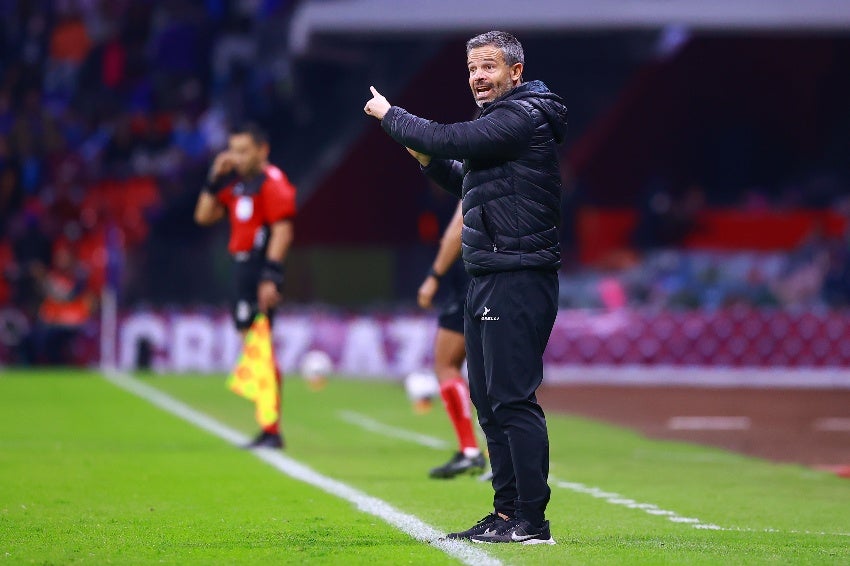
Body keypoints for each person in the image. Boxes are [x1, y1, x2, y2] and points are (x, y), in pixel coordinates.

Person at [365, 31, 567, 545]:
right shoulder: (502, 124)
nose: (478, 77)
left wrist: (392, 117)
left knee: (512, 399)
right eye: (473, 69)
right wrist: (427, 160)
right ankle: (506, 514)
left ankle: (532, 521)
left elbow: (450, 139)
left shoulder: (522, 117)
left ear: (515, 72)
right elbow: (466, 180)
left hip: (518, 275)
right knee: (488, 397)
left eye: (488, 67)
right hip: (490, 275)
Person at [194, 122, 296, 449]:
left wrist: (271, 276)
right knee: (253, 348)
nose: (236, 157)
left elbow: (282, 231)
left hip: (258, 270)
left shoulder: (272, 182)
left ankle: (271, 429)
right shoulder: (240, 186)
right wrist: (214, 177)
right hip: (240, 270)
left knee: (259, 349)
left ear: (261, 150)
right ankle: (267, 426)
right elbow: (204, 216)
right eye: (232, 150)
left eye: (243, 150)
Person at [417, 201, 486, 479]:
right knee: (491, 373)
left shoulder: (475, 178)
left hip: (471, 282)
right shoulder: (509, 177)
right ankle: (503, 458)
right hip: (501, 278)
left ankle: (470, 450)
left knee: (446, 364)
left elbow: (458, 228)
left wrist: (434, 277)